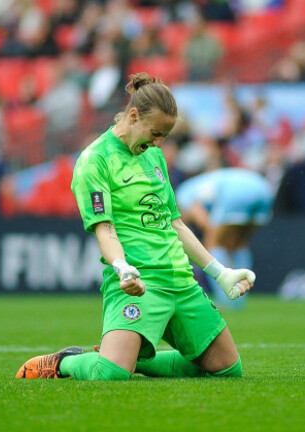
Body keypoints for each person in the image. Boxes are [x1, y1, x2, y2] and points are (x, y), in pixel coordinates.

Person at [16, 73, 255, 381]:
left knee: (227, 369)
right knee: (111, 375)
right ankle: (64, 363)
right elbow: (105, 228)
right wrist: (121, 266)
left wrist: (220, 272)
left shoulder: (154, 155)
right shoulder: (95, 160)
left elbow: (175, 223)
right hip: (137, 281)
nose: (159, 143)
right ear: (132, 116)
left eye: (165, 136)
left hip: (180, 280)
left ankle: (133, 360)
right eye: (155, 133)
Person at [175, 168, 273, 309]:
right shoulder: (198, 183)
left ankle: (227, 298)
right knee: (239, 245)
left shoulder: (182, 195)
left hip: (237, 193)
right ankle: (241, 299)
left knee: (212, 243)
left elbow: (204, 223)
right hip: (263, 189)